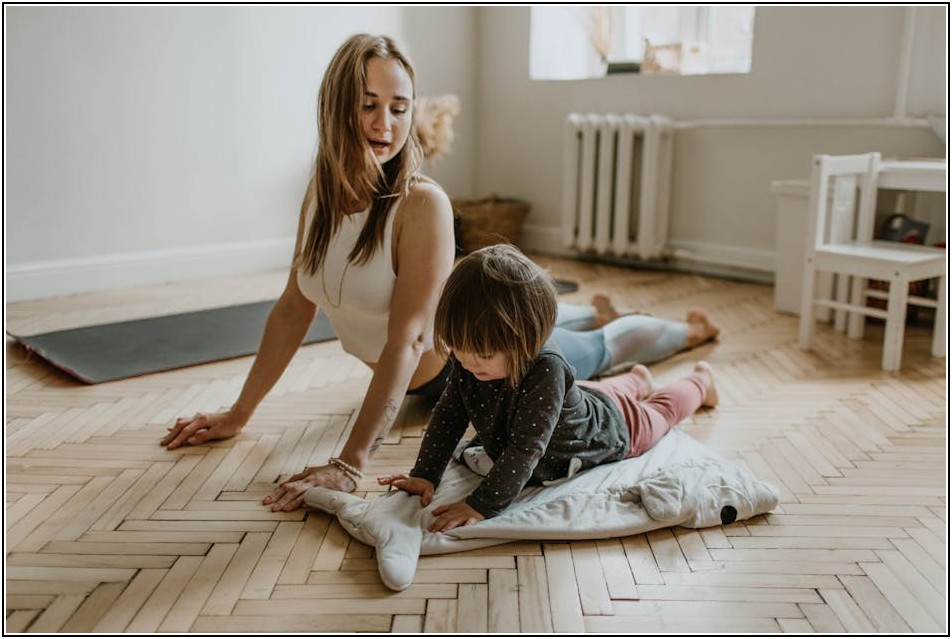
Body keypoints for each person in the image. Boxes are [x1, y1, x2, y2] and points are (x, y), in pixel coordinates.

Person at [159, 33, 718, 511]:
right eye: (368, 104)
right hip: (450, 361)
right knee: (572, 330)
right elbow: (291, 311)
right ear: (335, 106)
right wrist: (239, 412)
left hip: (484, 365)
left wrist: (350, 463)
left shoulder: (420, 204)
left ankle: (686, 335)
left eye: (399, 107)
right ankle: (592, 322)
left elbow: (408, 338)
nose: (385, 123)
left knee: (597, 348)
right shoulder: (320, 197)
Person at [378, 244, 718, 532]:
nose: (468, 363)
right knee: (602, 392)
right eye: (459, 350)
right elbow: (449, 415)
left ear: (526, 340)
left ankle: (701, 381)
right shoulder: (470, 360)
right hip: (583, 398)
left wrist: (481, 505)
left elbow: (526, 449)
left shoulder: (546, 369)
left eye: (481, 355)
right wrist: (425, 473)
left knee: (660, 411)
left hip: (613, 427)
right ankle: (638, 378)